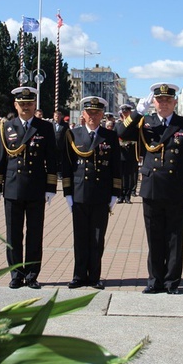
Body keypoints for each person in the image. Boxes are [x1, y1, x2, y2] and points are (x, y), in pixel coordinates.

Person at [116, 83, 183, 295]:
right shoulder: (146, 122)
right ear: (153, 102)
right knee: (154, 237)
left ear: (174, 102)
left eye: (167, 100)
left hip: (176, 187)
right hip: (152, 187)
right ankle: (155, 280)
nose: (163, 103)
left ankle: (172, 282)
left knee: (174, 237)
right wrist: (137, 112)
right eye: (159, 100)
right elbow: (120, 132)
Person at [0, 87, 58, 290]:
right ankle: (15, 274)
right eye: (22, 104)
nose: (26, 107)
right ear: (16, 105)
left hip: (36, 187)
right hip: (12, 187)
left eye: (29, 104)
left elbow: (51, 159)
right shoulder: (6, 127)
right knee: (13, 234)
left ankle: (31, 274)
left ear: (34, 105)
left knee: (35, 234)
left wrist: (51, 187)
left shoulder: (44, 127)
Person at [62, 97, 121, 290]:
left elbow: (115, 167)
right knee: (80, 237)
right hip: (79, 193)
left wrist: (115, 193)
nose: (93, 116)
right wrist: (68, 193)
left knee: (97, 238)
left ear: (102, 114)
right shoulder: (73, 135)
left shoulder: (109, 136)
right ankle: (79, 276)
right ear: (83, 114)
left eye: (97, 113)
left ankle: (95, 276)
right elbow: (67, 166)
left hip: (101, 193)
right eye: (89, 113)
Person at [118, 104, 139, 204]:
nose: (125, 113)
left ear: (130, 113)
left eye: (127, 112)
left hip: (131, 153)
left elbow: (138, 138)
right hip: (120, 153)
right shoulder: (118, 124)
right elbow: (114, 137)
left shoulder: (134, 125)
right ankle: (120, 196)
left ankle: (128, 196)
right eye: (123, 112)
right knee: (121, 175)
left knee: (130, 176)